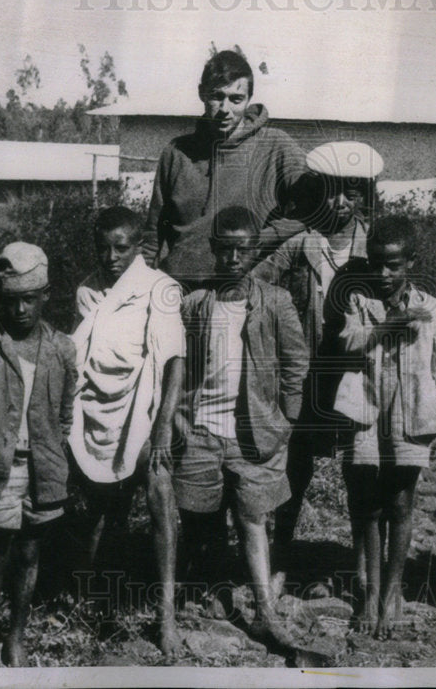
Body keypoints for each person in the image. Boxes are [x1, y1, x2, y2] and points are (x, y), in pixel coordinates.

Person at [172, 206, 309, 649]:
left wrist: (286, 418)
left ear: (254, 252)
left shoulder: (275, 301)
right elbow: (179, 366)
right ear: (213, 250)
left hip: (255, 432)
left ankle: (264, 610)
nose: (233, 259)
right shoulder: (194, 305)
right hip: (202, 429)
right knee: (201, 512)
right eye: (224, 250)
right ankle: (209, 591)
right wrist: (179, 414)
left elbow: (296, 362)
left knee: (253, 517)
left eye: (242, 250)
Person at [249, 140, 380, 597]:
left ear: (365, 196)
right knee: (295, 467)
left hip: (356, 377)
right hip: (305, 376)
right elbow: (255, 281)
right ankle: (281, 559)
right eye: (332, 191)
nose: (340, 202)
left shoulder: (375, 248)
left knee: (357, 471)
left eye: (351, 192)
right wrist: (280, 327)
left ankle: (360, 572)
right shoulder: (303, 243)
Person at [69, 206, 185, 655]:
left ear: (139, 247)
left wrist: (161, 429)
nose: (111, 257)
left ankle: (167, 617)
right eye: (103, 248)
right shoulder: (87, 292)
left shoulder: (160, 290)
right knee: (99, 511)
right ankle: (93, 601)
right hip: (98, 415)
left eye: (121, 248)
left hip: (144, 413)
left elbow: (174, 363)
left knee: (160, 501)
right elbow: (81, 357)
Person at [330, 215, 436, 639]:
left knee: (400, 505)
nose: (384, 274)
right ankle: (369, 590)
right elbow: (348, 342)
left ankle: (392, 594)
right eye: (377, 263)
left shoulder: (433, 309)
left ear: (410, 263)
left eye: (393, 265)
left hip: (411, 416)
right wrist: (387, 326)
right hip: (366, 415)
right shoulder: (359, 302)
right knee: (368, 507)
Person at [0, 242, 78, 667]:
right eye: (12, 301)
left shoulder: (63, 349)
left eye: (30, 299)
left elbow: (66, 415)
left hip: (43, 468)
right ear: (0, 300)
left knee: (29, 553)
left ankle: (17, 636)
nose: (22, 310)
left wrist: (50, 449)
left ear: (45, 296)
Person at [141, 48, 306, 286]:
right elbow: (152, 237)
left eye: (236, 99)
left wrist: (264, 238)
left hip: (242, 292)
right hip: (178, 291)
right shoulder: (175, 153)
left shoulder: (276, 145)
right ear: (201, 93)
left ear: (249, 97)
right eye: (217, 96)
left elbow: (314, 207)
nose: (225, 109)